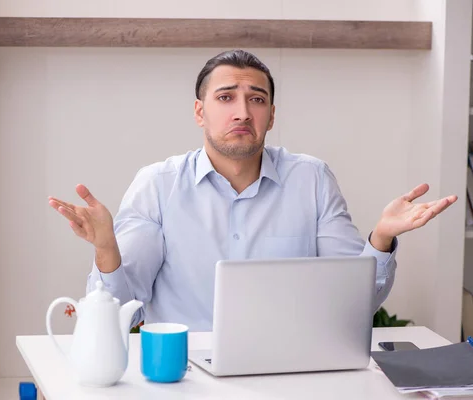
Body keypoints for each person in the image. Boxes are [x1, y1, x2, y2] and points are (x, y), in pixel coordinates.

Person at [48, 49, 458, 332]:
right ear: (199, 111)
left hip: (292, 371)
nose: (242, 112)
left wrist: (381, 238)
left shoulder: (311, 179)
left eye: (256, 99)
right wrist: (106, 251)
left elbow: (352, 303)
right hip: (185, 374)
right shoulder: (157, 184)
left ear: (271, 115)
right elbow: (121, 310)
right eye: (226, 97)